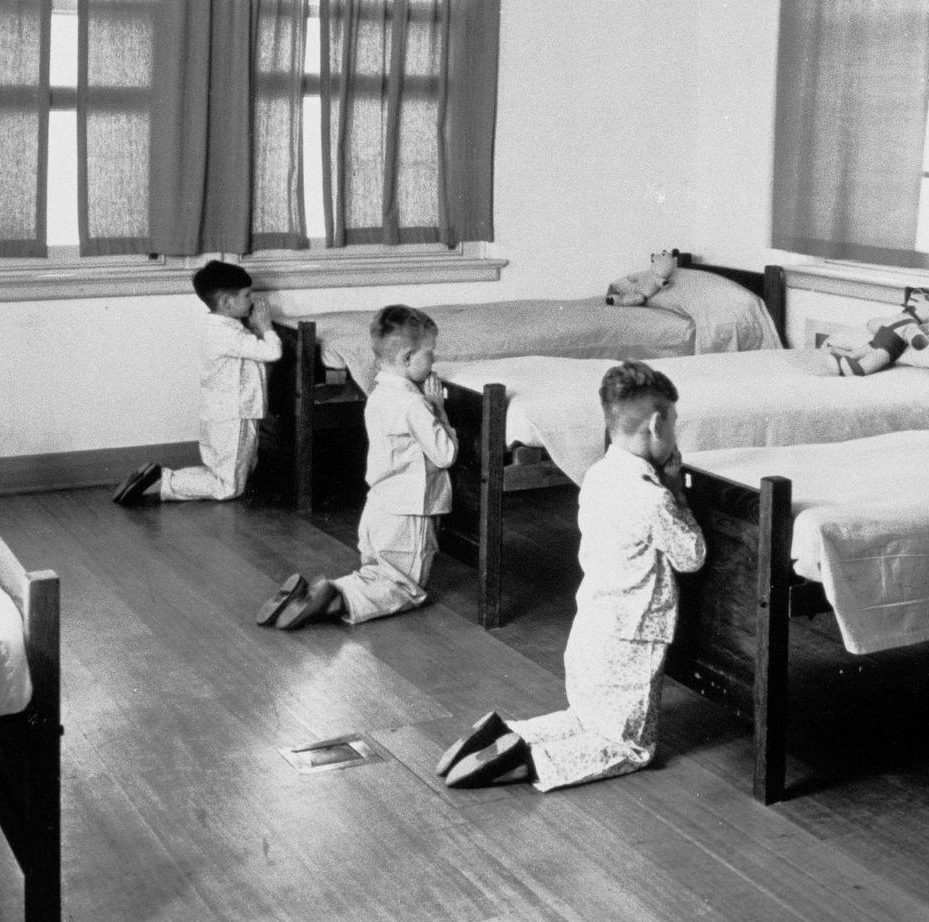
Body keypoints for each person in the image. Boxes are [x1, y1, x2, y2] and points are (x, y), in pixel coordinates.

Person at [441, 360, 706, 790]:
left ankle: (510, 733)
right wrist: (677, 492)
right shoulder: (653, 498)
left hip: (590, 627)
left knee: (585, 717)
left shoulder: (597, 476)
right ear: (656, 425)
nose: (674, 436)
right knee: (628, 746)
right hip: (634, 635)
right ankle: (531, 759)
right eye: (673, 425)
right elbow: (691, 556)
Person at [261, 306, 458, 630]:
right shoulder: (415, 405)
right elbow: (445, 453)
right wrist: (439, 410)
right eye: (431, 353)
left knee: (377, 571)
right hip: (409, 511)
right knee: (405, 586)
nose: (434, 361)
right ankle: (338, 599)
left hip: (378, 508)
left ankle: (317, 592)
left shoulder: (378, 394)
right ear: (408, 357)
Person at [113, 260, 282, 506]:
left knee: (225, 472)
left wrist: (255, 329)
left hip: (218, 414)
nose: (252, 301)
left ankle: (159, 477)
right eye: (247, 295)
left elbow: (248, 351)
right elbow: (272, 352)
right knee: (228, 487)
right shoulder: (228, 333)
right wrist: (266, 327)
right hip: (234, 416)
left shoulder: (217, 326)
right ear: (227, 302)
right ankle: (164, 481)